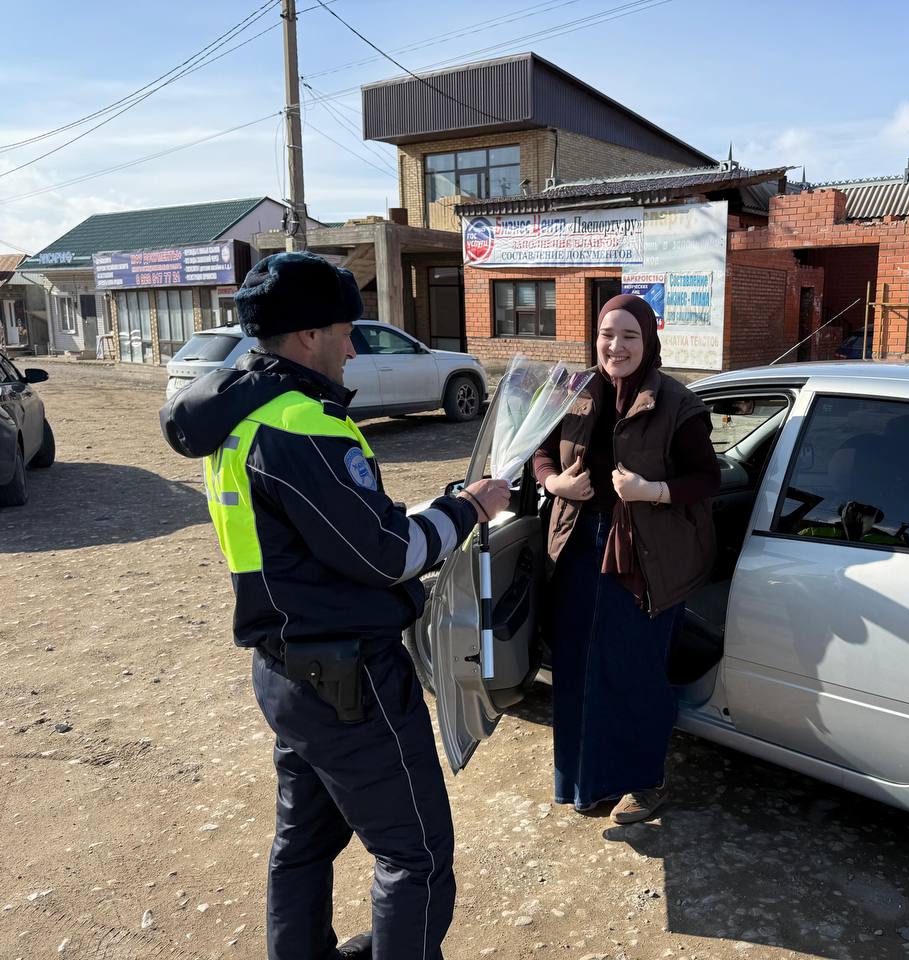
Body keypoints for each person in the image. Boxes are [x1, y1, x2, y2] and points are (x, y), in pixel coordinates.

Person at [159, 251, 509, 960]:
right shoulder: (303, 425)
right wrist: (467, 507)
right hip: (351, 682)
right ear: (307, 336)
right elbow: (387, 554)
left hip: (286, 671)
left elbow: (324, 536)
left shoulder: (242, 414)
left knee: (303, 846)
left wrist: (407, 515)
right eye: (345, 330)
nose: (353, 347)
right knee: (416, 856)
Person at [534, 294, 719, 824]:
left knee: (633, 672)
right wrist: (555, 481)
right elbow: (539, 453)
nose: (615, 346)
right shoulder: (574, 393)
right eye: (606, 335)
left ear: (648, 340)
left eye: (629, 336)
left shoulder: (676, 403)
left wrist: (650, 491)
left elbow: (706, 479)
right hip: (575, 551)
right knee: (577, 669)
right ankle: (586, 783)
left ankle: (644, 783)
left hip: (646, 559)